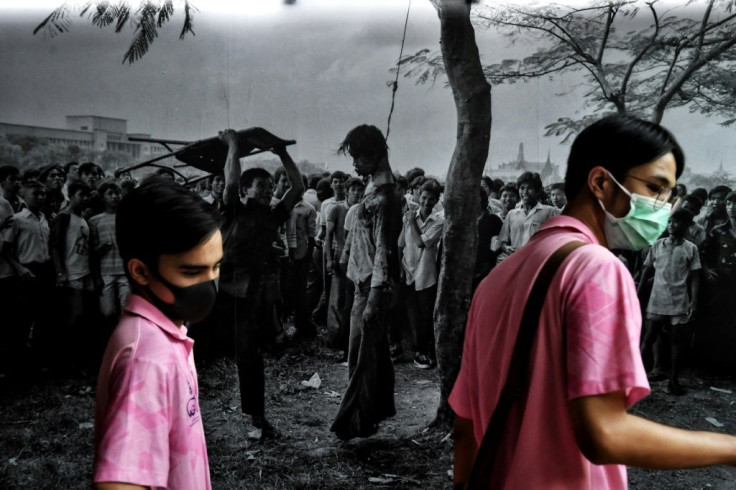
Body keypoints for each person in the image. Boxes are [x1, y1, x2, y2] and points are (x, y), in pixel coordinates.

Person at [451, 115, 736, 489]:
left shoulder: (497, 280)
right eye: (655, 188)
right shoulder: (597, 267)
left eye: (669, 195)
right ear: (601, 182)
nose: (663, 208)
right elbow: (604, 433)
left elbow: (466, 425)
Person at [93, 176, 220, 490]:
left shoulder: (170, 332)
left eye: (215, 267)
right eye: (191, 271)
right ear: (141, 271)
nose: (209, 285)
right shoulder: (149, 358)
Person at [217, 128, 304, 438]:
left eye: (270, 187)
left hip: (246, 296)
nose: (269, 191)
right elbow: (229, 181)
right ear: (245, 190)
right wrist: (232, 145)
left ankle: (258, 418)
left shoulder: (272, 216)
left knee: (249, 356)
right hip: (215, 292)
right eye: (262, 187)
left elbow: (298, 186)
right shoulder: (232, 209)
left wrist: (281, 152)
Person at [331, 124, 401, 440]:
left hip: (372, 287)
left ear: (374, 155)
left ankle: (355, 422)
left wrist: (373, 299)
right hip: (364, 283)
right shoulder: (374, 189)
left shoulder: (384, 199)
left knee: (359, 354)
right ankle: (370, 416)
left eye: (359, 157)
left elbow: (384, 253)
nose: (355, 164)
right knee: (370, 353)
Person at [638, 209, 701, 395]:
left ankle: (673, 380)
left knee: (676, 340)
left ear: (686, 225)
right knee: (649, 337)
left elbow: (696, 277)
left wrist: (694, 302)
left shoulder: (691, 248)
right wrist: (638, 294)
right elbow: (646, 272)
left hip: (679, 300)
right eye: (669, 221)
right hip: (657, 299)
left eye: (676, 222)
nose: (672, 225)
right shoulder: (657, 245)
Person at [399, 180, 444, 369]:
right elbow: (401, 243)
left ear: (436, 201)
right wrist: (399, 267)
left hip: (426, 274)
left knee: (425, 314)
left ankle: (424, 351)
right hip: (408, 269)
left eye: (431, 199)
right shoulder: (408, 216)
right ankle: (416, 350)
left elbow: (420, 242)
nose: (426, 202)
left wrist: (411, 222)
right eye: (424, 197)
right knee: (411, 313)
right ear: (418, 195)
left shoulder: (439, 221)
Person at [50, 181, 94, 371]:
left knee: (81, 317)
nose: (83, 199)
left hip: (83, 271)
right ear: (71, 195)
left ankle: (76, 359)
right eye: (80, 195)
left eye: (86, 196)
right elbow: (54, 246)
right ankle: (65, 361)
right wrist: (60, 272)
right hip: (70, 273)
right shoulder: (64, 217)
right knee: (74, 316)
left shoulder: (82, 219)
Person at [694, 190, 736, 377]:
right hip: (718, 285)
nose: (732, 208)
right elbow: (703, 256)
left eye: (735, 204)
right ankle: (709, 366)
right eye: (728, 204)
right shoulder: (717, 231)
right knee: (714, 322)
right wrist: (706, 270)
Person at [494, 172, 559, 263]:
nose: (525, 192)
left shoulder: (549, 212)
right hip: (515, 262)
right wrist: (506, 247)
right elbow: (502, 241)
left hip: (538, 263)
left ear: (537, 191)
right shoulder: (511, 214)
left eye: (530, 188)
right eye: (522, 188)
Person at [89, 181, 128, 324]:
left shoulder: (127, 217)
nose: (114, 197)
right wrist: (100, 249)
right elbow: (92, 249)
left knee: (127, 310)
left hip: (125, 271)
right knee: (107, 312)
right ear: (103, 197)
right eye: (110, 194)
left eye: (117, 193)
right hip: (106, 271)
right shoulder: (95, 220)